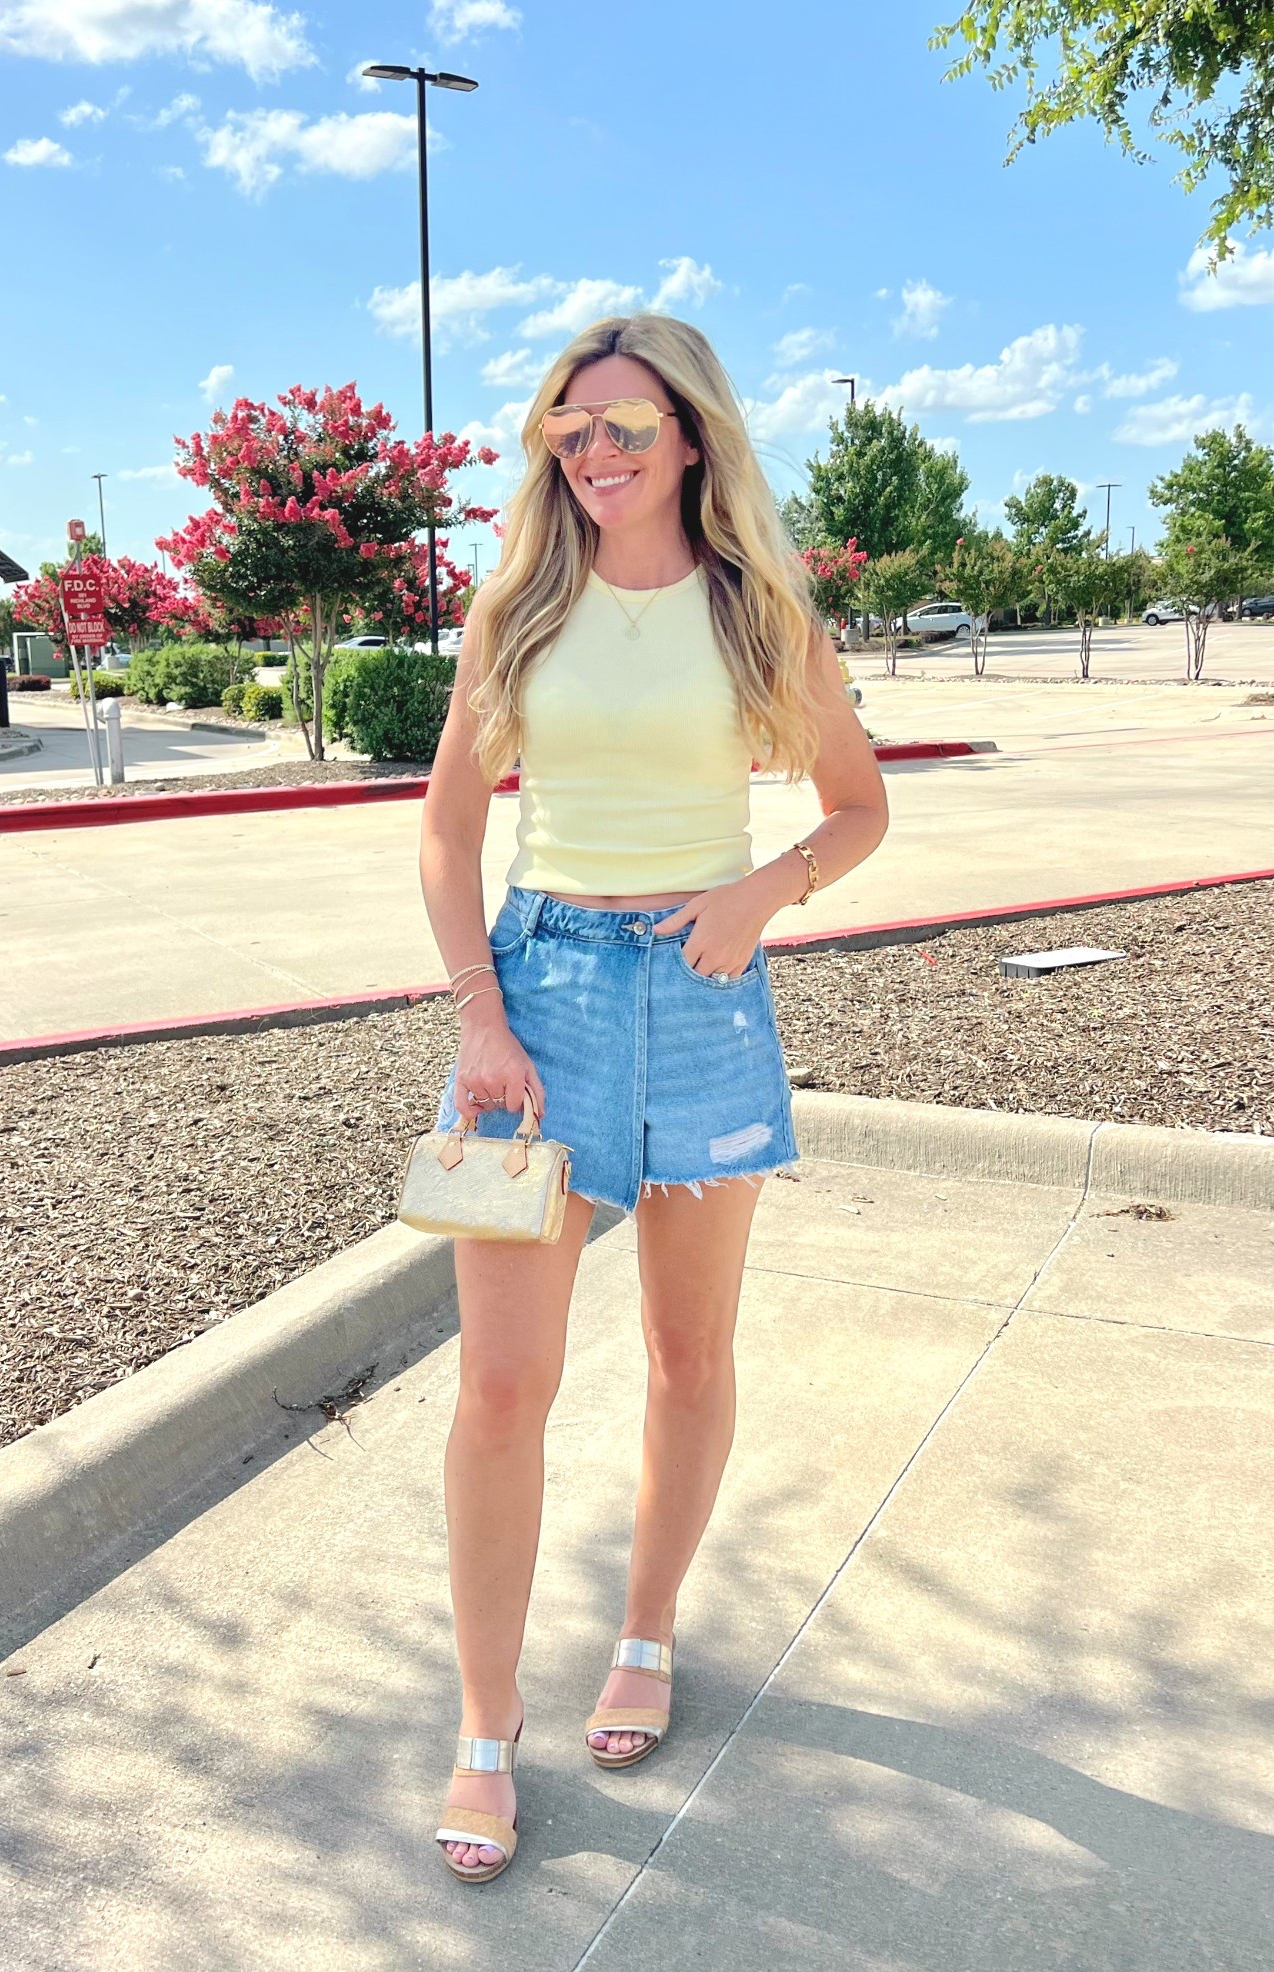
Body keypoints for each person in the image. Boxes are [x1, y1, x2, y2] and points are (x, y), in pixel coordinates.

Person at [419, 313, 888, 1881]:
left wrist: (767, 891)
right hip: (535, 999)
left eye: (625, 423)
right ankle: (485, 1727)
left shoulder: (758, 612)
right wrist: (479, 1018)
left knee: (691, 1356)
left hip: (703, 994)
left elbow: (857, 806)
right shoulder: (519, 609)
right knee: (500, 1391)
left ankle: (647, 1631)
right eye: (571, 423)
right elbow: (441, 837)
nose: (595, 450)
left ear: (691, 436)